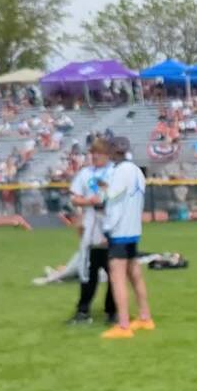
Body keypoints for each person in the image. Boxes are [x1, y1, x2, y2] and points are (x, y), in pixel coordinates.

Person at [99, 137, 153, 339]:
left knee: (118, 277)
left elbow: (112, 199)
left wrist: (106, 229)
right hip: (133, 229)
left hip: (119, 231)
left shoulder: (119, 172)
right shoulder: (137, 171)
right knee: (135, 274)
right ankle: (145, 316)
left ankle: (123, 325)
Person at [66, 138, 116, 325]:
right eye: (93, 153)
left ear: (108, 155)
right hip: (90, 230)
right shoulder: (85, 173)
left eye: (99, 153)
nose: (95, 156)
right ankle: (83, 310)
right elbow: (74, 198)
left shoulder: (115, 173)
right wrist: (88, 202)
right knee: (87, 272)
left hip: (111, 230)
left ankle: (112, 311)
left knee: (114, 273)